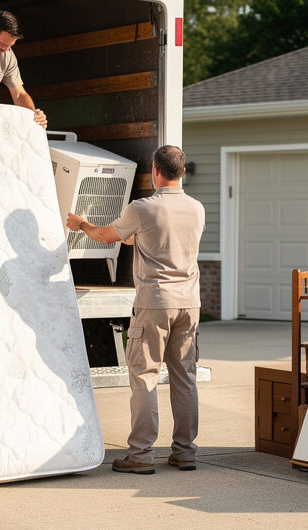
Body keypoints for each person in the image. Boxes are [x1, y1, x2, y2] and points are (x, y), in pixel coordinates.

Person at [66, 145, 205, 475]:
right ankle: (185, 452)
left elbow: (105, 235)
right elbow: (157, 239)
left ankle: (141, 455)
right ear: (182, 172)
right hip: (190, 303)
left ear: (155, 170)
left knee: (145, 377)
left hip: (155, 303)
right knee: (185, 377)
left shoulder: (142, 208)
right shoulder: (197, 208)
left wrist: (82, 224)